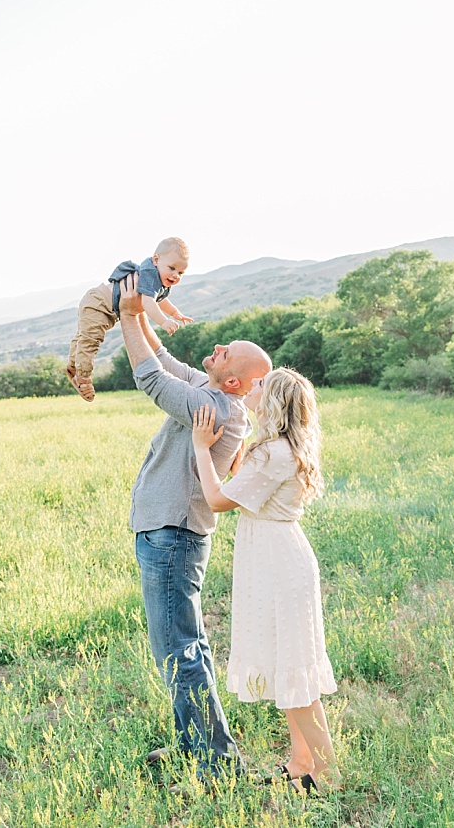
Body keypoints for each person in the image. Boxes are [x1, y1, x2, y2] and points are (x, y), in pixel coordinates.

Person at [118, 282, 272, 786]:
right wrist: (141, 309)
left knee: (180, 652)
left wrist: (123, 312)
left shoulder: (219, 410)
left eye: (225, 354)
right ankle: (193, 747)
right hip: (167, 534)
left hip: (173, 538)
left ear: (233, 382)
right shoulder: (211, 394)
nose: (214, 350)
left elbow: (151, 379)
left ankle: (218, 766)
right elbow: (162, 357)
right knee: (187, 649)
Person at [192, 367, 337, 792]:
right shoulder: (282, 447)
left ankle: (327, 776)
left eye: (259, 385)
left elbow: (218, 500)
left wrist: (203, 449)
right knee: (287, 667)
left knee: (296, 672)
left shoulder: (272, 452)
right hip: (281, 556)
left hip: (277, 562)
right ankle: (300, 761)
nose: (252, 387)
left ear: (272, 400)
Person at [65, 235, 193, 400]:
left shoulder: (159, 281)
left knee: (83, 337)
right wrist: (163, 321)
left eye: (181, 272)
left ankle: (73, 366)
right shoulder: (150, 274)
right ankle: (83, 377)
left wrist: (175, 313)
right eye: (172, 268)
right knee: (90, 340)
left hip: (103, 306)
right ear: (156, 260)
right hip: (98, 302)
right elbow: (149, 302)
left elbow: (161, 300)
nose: (176, 275)